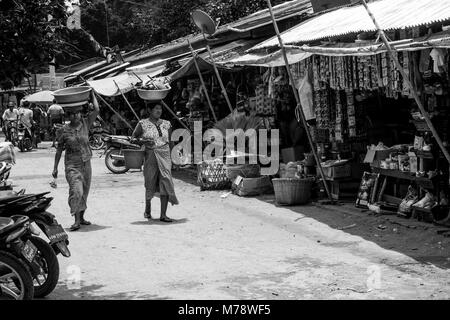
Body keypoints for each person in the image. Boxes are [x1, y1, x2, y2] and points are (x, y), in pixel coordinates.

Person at [52, 91, 100, 231]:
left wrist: (92, 94)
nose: (75, 116)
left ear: (80, 114)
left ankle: (82, 217)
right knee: (76, 190)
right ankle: (76, 220)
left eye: (77, 113)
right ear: (68, 116)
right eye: (72, 114)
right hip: (72, 164)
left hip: (86, 162)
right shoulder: (63, 130)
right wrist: (55, 168)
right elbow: (59, 150)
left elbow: (96, 109)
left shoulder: (85, 123)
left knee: (84, 190)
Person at [132, 102, 179, 222]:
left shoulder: (167, 124)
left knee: (166, 181)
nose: (159, 111)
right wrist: (143, 141)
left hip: (165, 155)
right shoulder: (142, 124)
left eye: (160, 109)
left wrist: (174, 158)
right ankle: (147, 209)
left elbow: (171, 142)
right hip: (150, 156)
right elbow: (133, 139)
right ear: (150, 110)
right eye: (156, 109)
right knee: (150, 183)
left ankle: (163, 215)